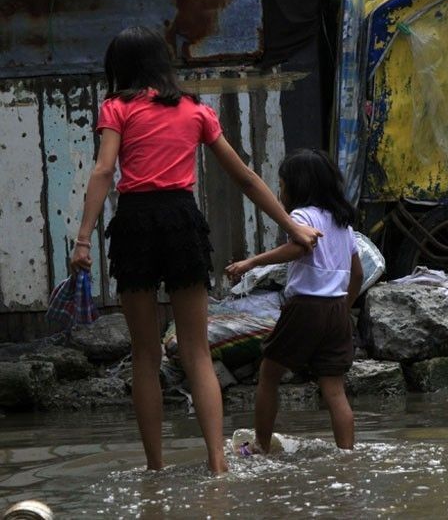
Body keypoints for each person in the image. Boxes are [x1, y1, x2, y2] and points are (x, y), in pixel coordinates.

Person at [70, 26, 322, 474]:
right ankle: (217, 463)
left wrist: (84, 238)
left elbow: (104, 171)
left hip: (135, 223)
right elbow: (245, 177)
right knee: (197, 351)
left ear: (121, 70)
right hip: (182, 220)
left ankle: (154, 469)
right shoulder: (194, 110)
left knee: (145, 354)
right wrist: (292, 230)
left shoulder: (117, 108)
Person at [226, 148, 364, 451]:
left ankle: (260, 446)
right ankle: (347, 455)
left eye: (282, 184)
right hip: (337, 309)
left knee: (269, 374)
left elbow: (300, 248)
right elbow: (357, 273)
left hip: (305, 306)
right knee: (335, 391)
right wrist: (344, 305)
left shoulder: (301, 217)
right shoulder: (343, 223)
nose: (280, 190)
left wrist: (251, 262)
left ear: (296, 186)